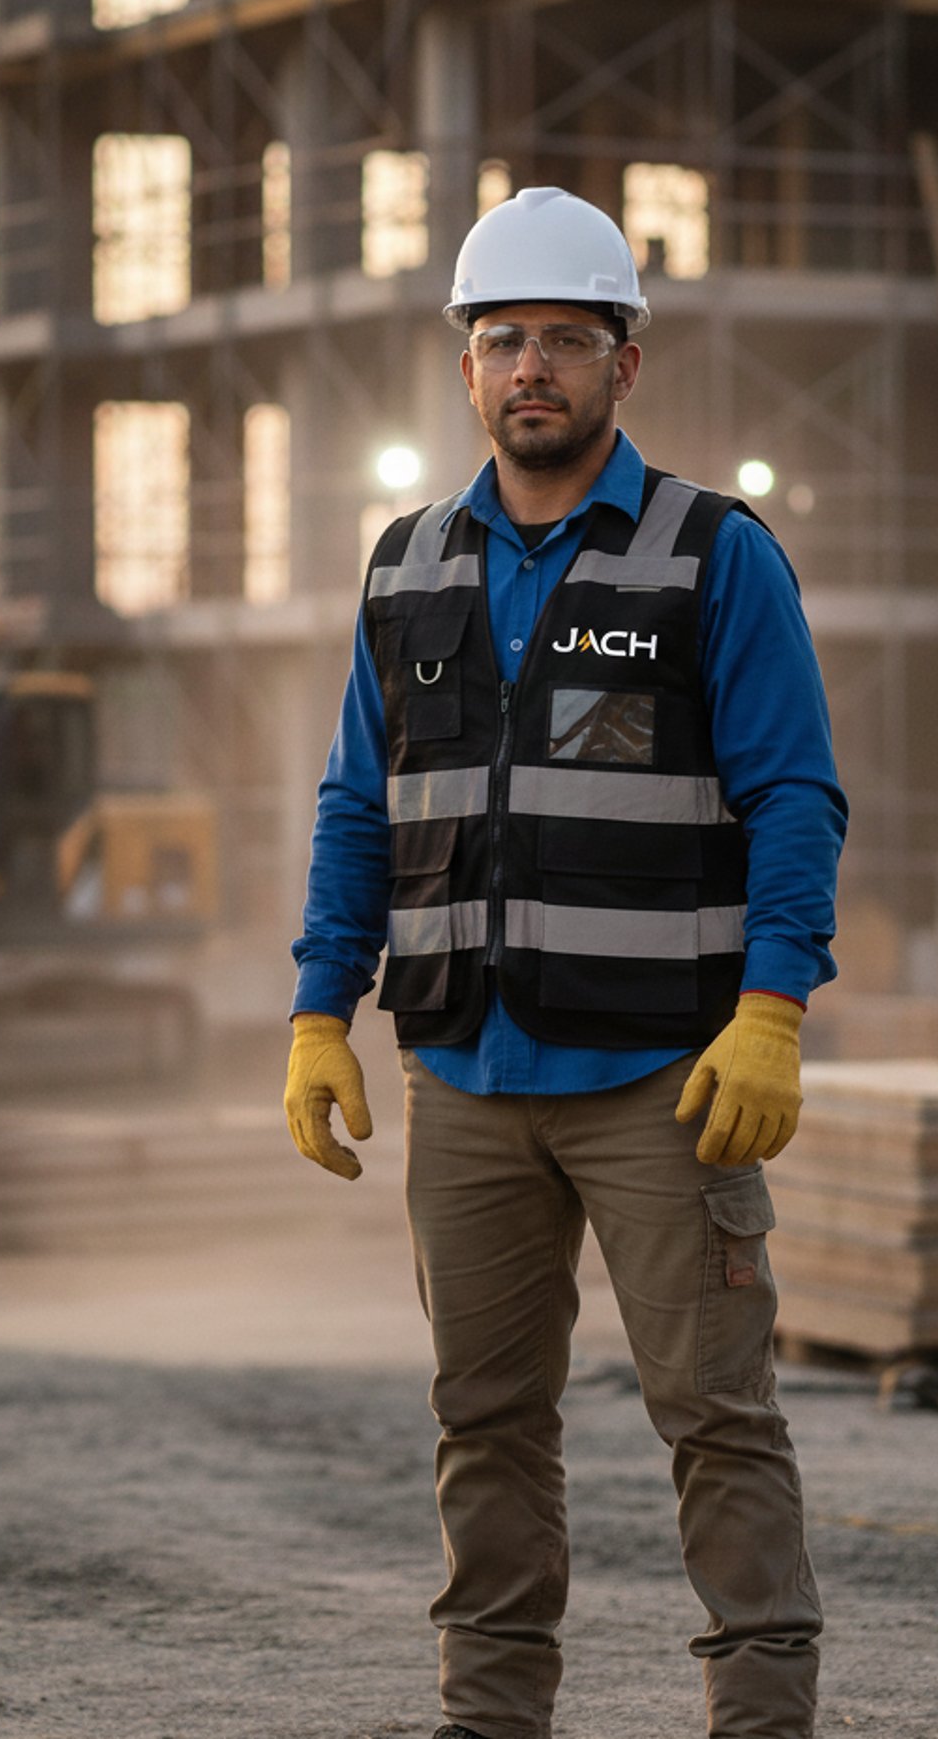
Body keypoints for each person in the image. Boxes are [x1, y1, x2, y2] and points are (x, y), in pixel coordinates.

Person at [284, 186, 846, 1739]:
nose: (533, 365)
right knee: (483, 1419)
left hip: (666, 1076)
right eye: (503, 338)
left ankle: (761, 1718)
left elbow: (794, 791)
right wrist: (318, 1009)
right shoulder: (405, 569)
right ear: (468, 366)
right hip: (464, 1069)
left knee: (715, 1418)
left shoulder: (712, 556)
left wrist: (774, 1007)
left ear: (624, 364)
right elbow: (358, 802)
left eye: (565, 340)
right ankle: (491, 1719)